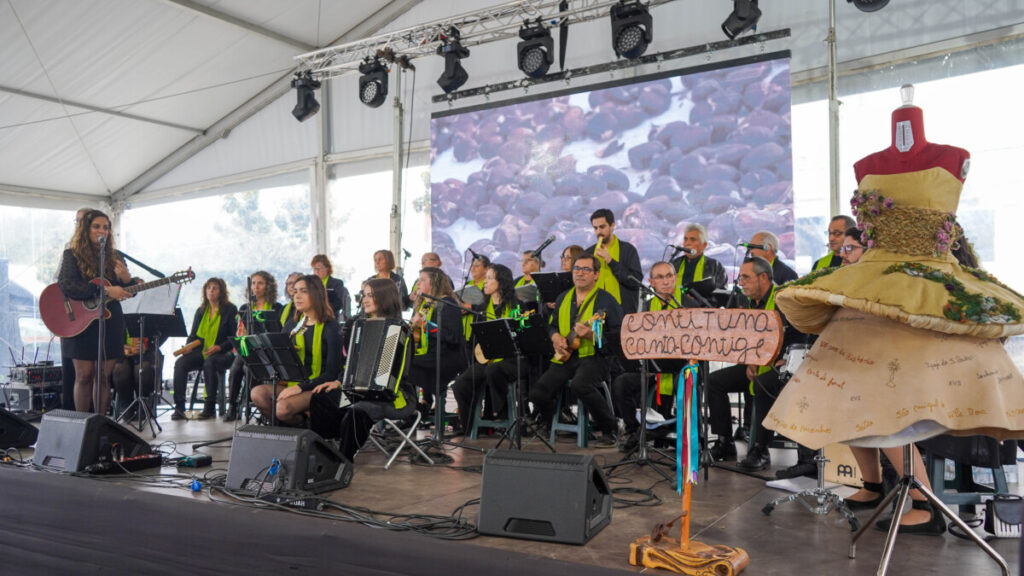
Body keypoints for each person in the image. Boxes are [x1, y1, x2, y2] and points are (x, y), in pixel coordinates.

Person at [766, 86, 1024, 534]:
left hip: (927, 289)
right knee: (843, 393)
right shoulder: (868, 166)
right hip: (875, 284)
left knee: (893, 402)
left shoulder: (950, 156)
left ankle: (923, 503)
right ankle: (870, 484)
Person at [706, 257, 806, 470]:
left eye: (746, 277)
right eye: (740, 277)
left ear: (763, 277)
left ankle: (760, 450)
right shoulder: (746, 302)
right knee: (714, 381)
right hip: (755, 363)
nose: (741, 282)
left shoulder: (785, 300)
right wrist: (749, 360)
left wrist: (785, 359)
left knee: (763, 382)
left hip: (784, 366)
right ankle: (725, 442)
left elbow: (802, 335)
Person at [309, 279, 417, 462]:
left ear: (384, 297)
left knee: (358, 410)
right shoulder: (358, 327)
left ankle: (343, 461)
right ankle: (325, 451)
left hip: (396, 396)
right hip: (359, 392)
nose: (364, 300)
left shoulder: (401, 330)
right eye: (364, 295)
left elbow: (402, 372)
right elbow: (352, 363)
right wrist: (339, 381)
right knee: (322, 398)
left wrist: (380, 384)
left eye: (370, 295)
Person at [529, 253, 623, 448]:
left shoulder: (607, 302)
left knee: (580, 385)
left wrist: (591, 335)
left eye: (586, 269)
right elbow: (552, 326)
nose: (580, 273)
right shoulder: (563, 297)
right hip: (567, 356)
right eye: (577, 269)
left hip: (596, 357)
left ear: (596, 274)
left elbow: (616, 340)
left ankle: (610, 427)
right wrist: (555, 337)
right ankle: (553, 423)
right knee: (538, 392)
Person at [612, 261, 698, 453]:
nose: (666, 281)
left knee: (685, 384)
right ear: (651, 282)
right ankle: (636, 432)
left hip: (681, 367)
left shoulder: (689, 304)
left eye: (669, 276)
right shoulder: (646, 306)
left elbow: (696, 344)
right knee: (621, 383)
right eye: (660, 277)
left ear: (675, 278)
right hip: (653, 367)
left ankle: (687, 438)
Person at [56, 209, 135, 415]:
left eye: (106, 227)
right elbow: (68, 285)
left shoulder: (115, 257)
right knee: (84, 375)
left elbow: (125, 291)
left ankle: (100, 425)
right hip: (81, 322)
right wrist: (105, 290)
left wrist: (127, 280)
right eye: (97, 227)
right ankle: (82, 424)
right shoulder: (71, 255)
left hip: (110, 321)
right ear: (86, 229)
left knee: (102, 377)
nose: (102, 231)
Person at [250, 275, 342, 426]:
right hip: (294, 384)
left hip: (318, 387)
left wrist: (299, 388)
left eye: (303, 291)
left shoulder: (331, 327)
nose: (297, 296)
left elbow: (332, 372)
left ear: (316, 294)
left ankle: (304, 426)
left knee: (282, 409)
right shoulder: (292, 325)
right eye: (295, 291)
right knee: (257, 394)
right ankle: (284, 430)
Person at [451, 264, 521, 434]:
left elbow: (521, 336)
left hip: (512, 360)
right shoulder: (482, 308)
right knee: (460, 384)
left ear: (501, 282)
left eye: (490, 278)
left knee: (493, 371)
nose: (485, 282)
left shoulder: (517, 306)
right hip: (488, 359)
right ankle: (469, 427)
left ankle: (498, 415)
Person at [171, 278, 237, 420]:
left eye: (215, 288)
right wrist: (188, 347)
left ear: (222, 292)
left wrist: (219, 347)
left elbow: (233, 338)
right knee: (180, 363)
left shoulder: (230, 309)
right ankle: (179, 407)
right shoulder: (201, 311)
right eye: (208, 288)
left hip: (224, 353)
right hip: (203, 351)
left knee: (210, 363)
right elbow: (193, 335)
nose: (211, 291)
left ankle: (209, 407)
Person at [224, 271, 283, 422]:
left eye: (260, 283)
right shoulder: (245, 308)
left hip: (268, 350)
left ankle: (255, 404)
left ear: (268, 286)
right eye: (253, 283)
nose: (256, 287)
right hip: (249, 347)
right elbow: (241, 332)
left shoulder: (277, 308)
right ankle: (232, 406)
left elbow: (279, 333)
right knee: (236, 367)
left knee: (248, 368)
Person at [408, 267, 465, 421]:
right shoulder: (425, 305)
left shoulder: (447, 303)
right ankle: (413, 409)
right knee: (401, 363)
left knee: (405, 366)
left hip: (447, 357)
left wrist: (426, 325)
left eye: (422, 280)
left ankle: (413, 410)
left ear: (433, 283)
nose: (418, 283)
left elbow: (452, 336)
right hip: (431, 355)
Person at [59, 207, 92, 410]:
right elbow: (61, 282)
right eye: (77, 220)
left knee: (95, 374)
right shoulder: (70, 249)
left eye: (82, 221)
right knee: (75, 372)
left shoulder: (103, 252)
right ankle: (72, 414)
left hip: (94, 315)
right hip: (72, 313)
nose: (78, 224)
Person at [585, 209, 642, 314]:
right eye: (595, 228)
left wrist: (611, 261)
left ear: (612, 225)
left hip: (621, 311)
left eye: (602, 227)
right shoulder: (588, 253)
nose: (598, 232)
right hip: (595, 312)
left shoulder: (627, 250)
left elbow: (635, 281)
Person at [112, 330, 165, 420]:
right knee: (119, 369)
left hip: (148, 353)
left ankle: (144, 404)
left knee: (142, 369)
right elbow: (113, 338)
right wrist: (125, 348)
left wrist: (147, 346)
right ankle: (126, 406)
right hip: (124, 353)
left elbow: (163, 333)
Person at [670, 223, 727, 291]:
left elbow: (722, 295)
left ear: (704, 245)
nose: (687, 243)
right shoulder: (674, 264)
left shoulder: (715, 266)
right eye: (685, 239)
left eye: (693, 240)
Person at [311, 254, 350, 322]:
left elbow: (338, 304)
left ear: (327, 268)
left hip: (330, 318)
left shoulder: (337, 283)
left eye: (319, 268)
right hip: (312, 318)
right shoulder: (310, 284)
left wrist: (321, 310)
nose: (316, 271)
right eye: (314, 268)